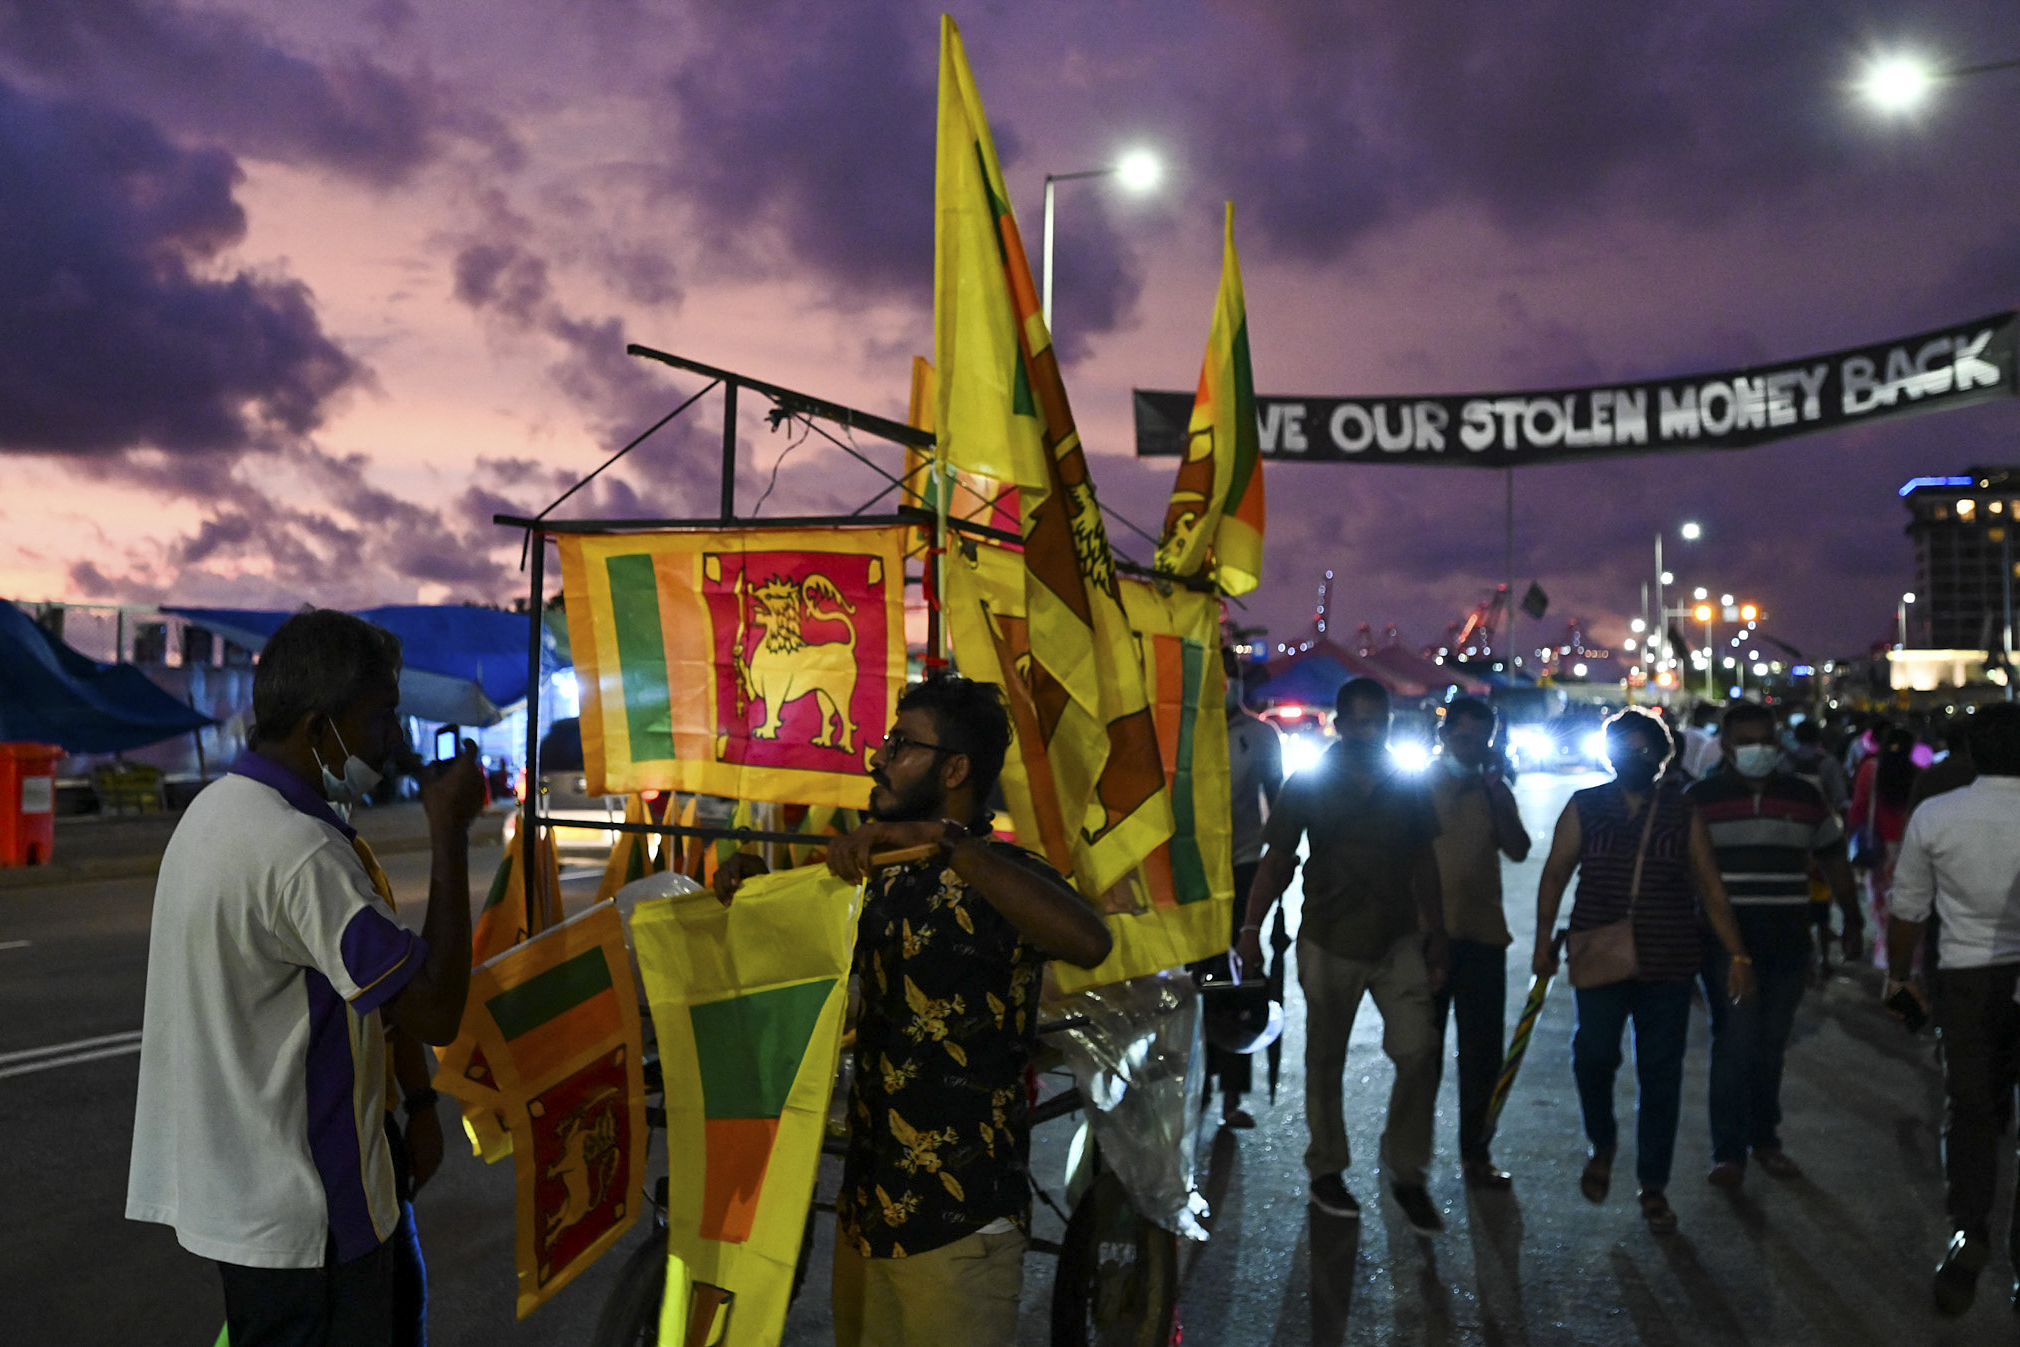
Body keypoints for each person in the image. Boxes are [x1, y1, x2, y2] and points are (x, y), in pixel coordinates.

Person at [716, 673, 1110, 1347]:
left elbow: (1088, 939)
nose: (881, 757)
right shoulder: (881, 873)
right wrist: (754, 891)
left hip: (959, 1225)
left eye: (902, 745)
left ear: (955, 768)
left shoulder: (1000, 873)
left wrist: (954, 844)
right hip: (867, 1214)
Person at [127, 609, 486, 1346]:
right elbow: (435, 1009)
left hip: (244, 1212)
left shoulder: (215, 812)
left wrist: (414, 1104)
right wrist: (449, 836)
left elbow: (365, 999)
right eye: (382, 717)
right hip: (313, 1227)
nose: (396, 739)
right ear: (320, 729)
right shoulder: (301, 854)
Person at [1235, 677, 1451, 1235]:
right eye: (1356, 720)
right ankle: (1327, 1169)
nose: (1367, 730)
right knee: (1325, 1060)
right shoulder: (1312, 782)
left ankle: (1407, 1169)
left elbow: (1424, 861)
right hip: (1329, 939)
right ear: (1339, 721)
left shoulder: (1406, 782)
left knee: (1417, 1051)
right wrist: (1251, 928)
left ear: (1387, 724)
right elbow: (1277, 859)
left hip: (1398, 937)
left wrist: (1437, 933)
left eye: (1376, 721)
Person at [1531, 707, 1755, 1235]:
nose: (1633, 758)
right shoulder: (1586, 806)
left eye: (1643, 750)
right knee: (1593, 1055)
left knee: (1660, 1075)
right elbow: (1555, 873)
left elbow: (1708, 885)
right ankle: (1602, 1142)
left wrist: (1737, 955)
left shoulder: (1682, 812)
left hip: (1669, 959)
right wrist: (1543, 942)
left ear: (1662, 757)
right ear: (1607, 756)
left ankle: (1652, 1185)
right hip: (1599, 954)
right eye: (1622, 749)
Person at [1883, 703, 2020, 1317]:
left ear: (1969, 753)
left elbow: (1908, 908)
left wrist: (1898, 980)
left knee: (1970, 1111)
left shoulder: (1938, 814)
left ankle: (1970, 1232)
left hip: (1964, 980)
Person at [1685, 703, 1855, 1188]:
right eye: (1745, 742)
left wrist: (1852, 917)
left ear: (1777, 745)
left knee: (1770, 1045)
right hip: (1725, 945)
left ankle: (1766, 1140)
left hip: (1787, 943)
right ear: (1727, 744)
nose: (1756, 751)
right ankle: (1729, 1152)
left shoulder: (1805, 796)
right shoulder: (1700, 797)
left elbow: (1832, 857)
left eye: (1764, 741)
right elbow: (1686, 873)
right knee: (1735, 1043)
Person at [1427, 698, 1530, 1187]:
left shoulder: (1494, 790)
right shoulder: (1417, 785)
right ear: (1444, 736)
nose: (1469, 748)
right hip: (1426, 939)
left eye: (1479, 740)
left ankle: (1475, 1153)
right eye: (1461, 738)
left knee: (1482, 1055)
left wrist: (1493, 791)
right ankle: (1411, 1153)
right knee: (1419, 1054)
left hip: (1484, 938)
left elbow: (1518, 848)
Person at [1203, 651, 1283, 1129]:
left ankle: (1232, 1094)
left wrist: (1281, 866)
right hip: (1192, 873)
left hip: (1244, 869)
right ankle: (1194, 1084)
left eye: (1227, 676)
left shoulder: (1260, 735)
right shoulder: (1179, 731)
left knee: (1242, 978)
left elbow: (1278, 802)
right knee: (1195, 982)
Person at [1850, 726, 1919, 969]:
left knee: (1882, 907)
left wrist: (1851, 833)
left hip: (1880, 850)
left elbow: (1858, 807)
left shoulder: (1871, 769)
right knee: (1910, 904)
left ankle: (1888, 957)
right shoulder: (1918, 770)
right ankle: (1912, 959)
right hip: (1912, 847)